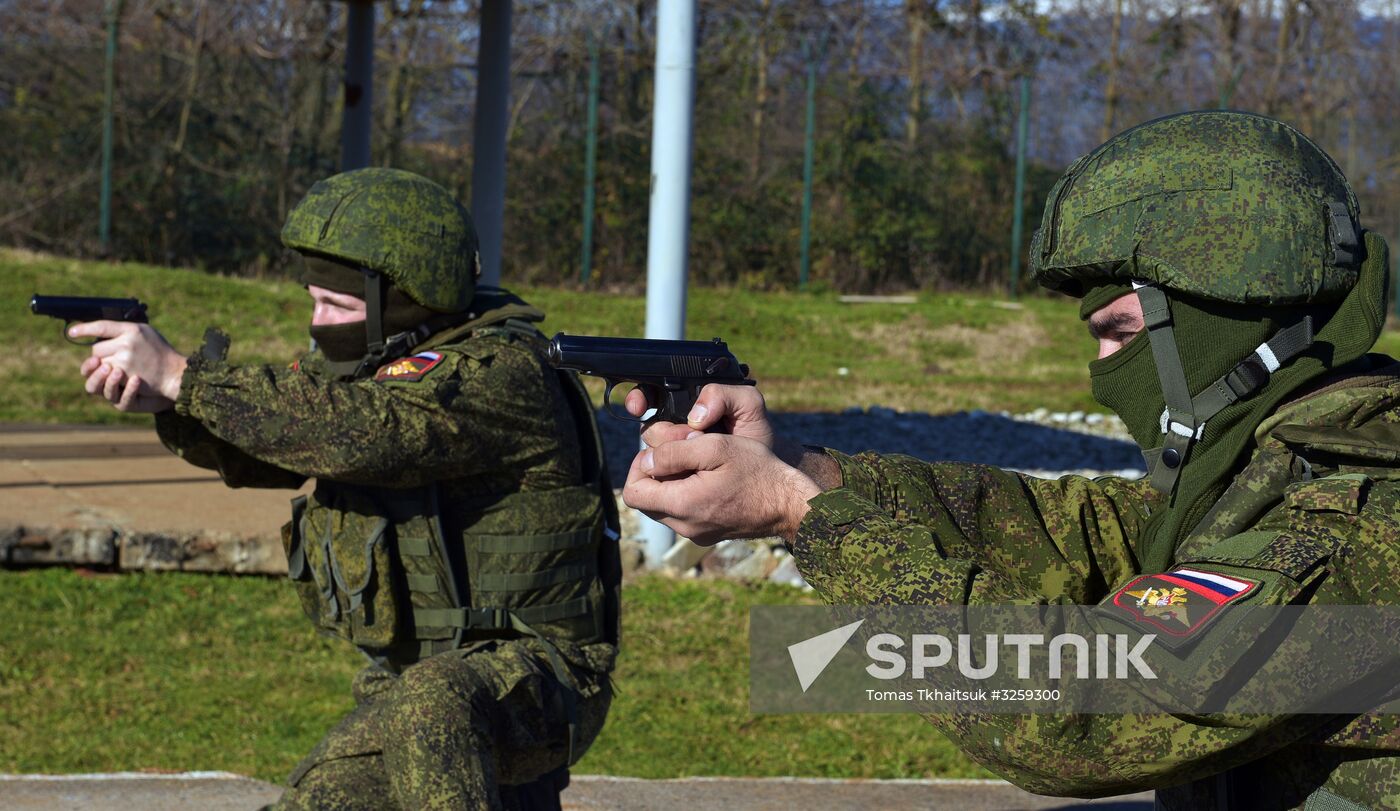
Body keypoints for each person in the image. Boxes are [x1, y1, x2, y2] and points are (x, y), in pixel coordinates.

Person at [622, 110, 1400, 808]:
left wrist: (803, 514)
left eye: (1121, 332)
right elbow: (1097, 538)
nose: (1101, 376)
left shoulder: (1358, 527)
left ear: (1219, 317)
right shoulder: (1274, 469)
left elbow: (1075, 711)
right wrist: (802, 469)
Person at [71, 167, 620, 811]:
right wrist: (169, 407)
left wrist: (185, 378)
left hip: (544, 682)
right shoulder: (382, 359)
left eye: (337, 305)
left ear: (408, 296)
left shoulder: (500, 374)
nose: (318, 320)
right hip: (424, 702)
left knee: (430, 701)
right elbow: (281, 446)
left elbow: (368, 434)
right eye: (312, 299)